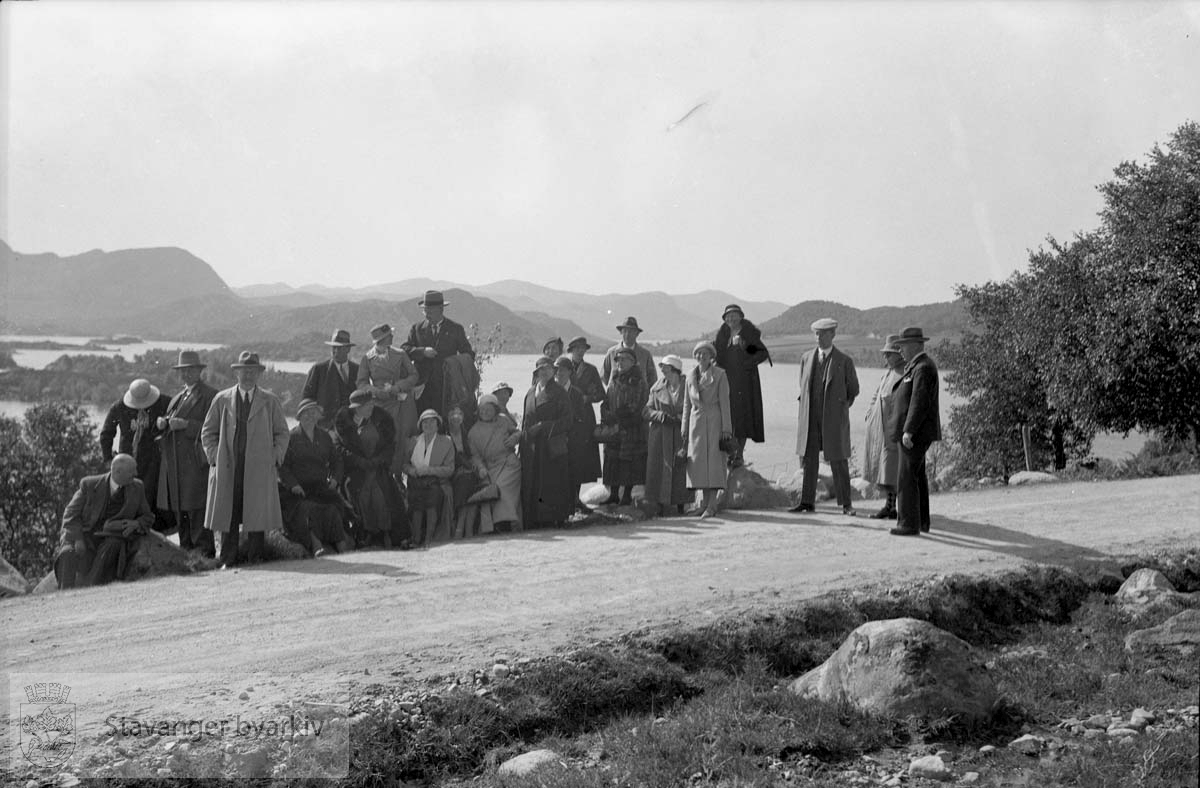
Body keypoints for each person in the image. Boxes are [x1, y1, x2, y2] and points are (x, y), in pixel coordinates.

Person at [201, 352, 290, 567]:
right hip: (229, 467)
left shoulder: (270, 401)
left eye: (253, 371)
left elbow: (282, 433)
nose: (248, 375)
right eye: (244, 371)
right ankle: (228, 559)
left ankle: (255, 558)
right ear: (236, 373)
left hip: (258, 468)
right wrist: (214, 457)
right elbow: (207, 432)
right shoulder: (221, 399)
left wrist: (274, 457)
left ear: (259, 374)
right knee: (228, 514)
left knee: (256, 514)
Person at [53, 453, 155, 589]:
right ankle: (64, 596)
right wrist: (77, 539)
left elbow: (147, 516)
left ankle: (90, 589)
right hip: (85, 536)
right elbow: (70, 514)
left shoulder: (137, 487)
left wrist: (136, 523)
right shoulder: (89, 485)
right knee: (67, 553)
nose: (136, 473)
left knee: (113, 546)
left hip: (112, 538)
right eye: (132, 471)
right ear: (118, 472)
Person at [791, 318, 860, 516]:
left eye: (823, 334)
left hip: (833, 420)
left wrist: (838, 409)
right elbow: (802, 387)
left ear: (833, 335)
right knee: (809, 460)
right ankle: (806, 502)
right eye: (816, 334)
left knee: (839, 460)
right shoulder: (806, 358)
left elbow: (853, 390)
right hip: (810, 419)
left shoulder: (844, 361)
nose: (818, 338)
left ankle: (847, 504)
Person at [156, 351, 218, 557]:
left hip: (195, 465)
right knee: (181, 511)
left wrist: (186, 425)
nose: (186, 374)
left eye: (190, 370)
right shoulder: (177, 398)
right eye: (183, 371)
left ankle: (204, 556)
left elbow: (217, 429)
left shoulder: (210, 396)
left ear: (199, 371)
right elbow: (171, 423)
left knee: (197, 510)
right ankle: (187, 556)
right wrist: (163, 423)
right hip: (177, 467)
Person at [278, 399, 353, 556]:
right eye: (306, 413)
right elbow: (283, 467)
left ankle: (341, 544)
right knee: (307, 510)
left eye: (313, 413)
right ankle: (315, 545)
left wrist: (335, 479)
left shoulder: (324, 437)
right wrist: (293, 485)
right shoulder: (291, 438)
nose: (310, 416)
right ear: (299, 416)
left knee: (332, 509)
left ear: (318, 416)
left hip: (320, 488)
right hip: (298, 491)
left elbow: (337, 460)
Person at [334, 389, 408, 548]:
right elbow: (340, 448)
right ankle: (367, 533)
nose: (370, 408)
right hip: (356, 470)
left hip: (379, 468)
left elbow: (390, 446)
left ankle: (386, 533)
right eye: (365, 406)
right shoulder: (343, 423)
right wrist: (358, 461)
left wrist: (378, 460)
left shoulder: (383, 419)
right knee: (362, 496)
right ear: (355, 408)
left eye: (371, 404)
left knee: (381, 495)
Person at [887, 327, 942, 536]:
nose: (900, 350)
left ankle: (908, 523)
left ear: (915, 345)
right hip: (916, 432)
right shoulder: (917, 366)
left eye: (902, 346)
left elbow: (919, 401)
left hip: (916, 433)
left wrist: (908, 430)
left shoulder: (924, 367)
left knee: (907, 477)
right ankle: (921, 522)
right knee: (917, 476)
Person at [100, 378, 170, 529]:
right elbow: (106, 434)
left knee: (151, 495)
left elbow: (174, 414)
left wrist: (165, 421)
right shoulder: (118, 407)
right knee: (128, 495)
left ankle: (151, 529)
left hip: (154, 460)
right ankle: (128, 528)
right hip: (127, 460)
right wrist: (108, 459)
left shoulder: (164, 402)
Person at [402, 290, 476, 420]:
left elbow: (469, 355)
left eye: (429, 310)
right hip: (422, 389)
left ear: (441, 309)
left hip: (446, 388)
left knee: (445, 422)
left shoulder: (455, 329)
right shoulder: (417, 328)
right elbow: (405, 349)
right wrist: (422, 351)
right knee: (423, 422)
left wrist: (452, 362)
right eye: (424, 310)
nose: (426, 314)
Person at [714, 304, 771, 469]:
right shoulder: (722, 335)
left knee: (742, 419)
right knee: (727, 417)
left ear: (740, 317)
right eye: (728, 316)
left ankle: (738, 455)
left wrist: (744, 346)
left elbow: (762, 353)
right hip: (726, 381)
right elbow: (717, 355)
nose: (730, 318)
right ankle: (730, 454)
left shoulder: (748, 334)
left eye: (734, 315)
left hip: (745, 384)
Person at [357, 323, 420, 474]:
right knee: (383, 438)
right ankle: (385, 474)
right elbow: (361, 382)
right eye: (389, 336)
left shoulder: (400, 354)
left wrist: (397, 387)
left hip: (401, 403)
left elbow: (414, 375)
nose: (392, 336)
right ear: (382, 339)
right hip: (380, 404)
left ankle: (399, 474)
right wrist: (375, 391)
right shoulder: (367, 358)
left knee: (402, 439)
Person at [520, 356, 575, 527]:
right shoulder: (530, 393)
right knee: (533, 480)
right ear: (536, 373)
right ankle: (533, 518)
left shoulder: (560, 392)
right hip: (532, 446)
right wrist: (523, 441)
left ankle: (553, 518)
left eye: (547, 369)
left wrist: (545, 426)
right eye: (540, 370)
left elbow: (568, 421)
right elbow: (525, 421)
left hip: (552, 445)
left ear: (553, 371)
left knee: (552, 481)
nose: (543, 372)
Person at [683, 342, 733, 518]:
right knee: (697, 464)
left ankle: (712, 505)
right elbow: (686, 405)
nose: (701, 356)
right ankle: (702, 504)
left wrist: (727, 428)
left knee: (713, 463)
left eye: (705, 353)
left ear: (711, 356)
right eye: (698, 353)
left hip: (714, 422)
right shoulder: (690, 376)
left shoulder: (720, 375)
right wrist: (684, 429)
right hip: (696, 423)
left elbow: (725, 403)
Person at [862, 335, 905, 520]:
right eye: (885, 354)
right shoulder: (888, 373)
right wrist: (870, 412)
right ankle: (889, 506)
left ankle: (894, 506)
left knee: (892, 469)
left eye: (888, 354)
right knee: (885, 469)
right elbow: (877, 395)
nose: (885, 357)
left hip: (893, 430)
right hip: (881, 430)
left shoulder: (903, 373)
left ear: (897, 354)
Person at [600, 347, 649, 506]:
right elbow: (607, 399)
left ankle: (627, 495)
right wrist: (605, 412)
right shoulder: (614, 378)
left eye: (624, 359)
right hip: (614, 428)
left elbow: (636, 405)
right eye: (618, 359)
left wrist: (619, 418)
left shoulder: (639, 381)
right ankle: (613, 494)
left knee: (629, 461)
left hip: (631, 427)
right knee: (612, 460)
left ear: (633, 362)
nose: (620, 362)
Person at [467, 394, 523, 533]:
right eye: (482, 410)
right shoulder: (473, 432)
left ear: (495, 410)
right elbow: (475, 456)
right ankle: (500, 525)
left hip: (508, 464)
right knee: (491, 489)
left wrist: (515, 438)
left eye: (489, 409)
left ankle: (504, 523)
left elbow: (518, 432)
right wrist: (480, 468)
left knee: (500, 488)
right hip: (490, 468)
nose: (485, 412)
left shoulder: (503, 421)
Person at [643, 354, 690, 516]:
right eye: (662, 367)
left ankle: (681, 506)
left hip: (680, 433)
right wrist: (661, 416)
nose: (662, 370)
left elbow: (696, 408)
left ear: (673, 369)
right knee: (660, 469)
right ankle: (660, 506)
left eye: (665, 367)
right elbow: (646, 411)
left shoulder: (689, 387)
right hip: (661, 435)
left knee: (680, 468)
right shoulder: (657, 388)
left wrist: (682, 418)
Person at [554, 355, 601, 513]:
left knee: (576, 469)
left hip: (574, 437)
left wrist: (576, 435)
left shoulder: (576, 393)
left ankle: (574, 501)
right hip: (555, 437)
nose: (559, 373)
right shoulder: (549, 391)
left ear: (569, 372)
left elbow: (582, 416)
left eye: (563, 370)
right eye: (557, 370)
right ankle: (561, 503)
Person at [404, 409, 455, 546]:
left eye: (432, 422)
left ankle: (429, 539)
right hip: (416, 480)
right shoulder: (413, 441)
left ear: (438, 425)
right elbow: (405, 464)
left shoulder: (446, 442)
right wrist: (412, 471)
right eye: (425, 422)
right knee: (416, 504)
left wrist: (430, 470)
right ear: (420, 425)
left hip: (436, 481)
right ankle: (416, 539)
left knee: (431, 500)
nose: (428, 425)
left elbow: (450, 469)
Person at [302, 329, 360, 431]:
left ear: (348, 349)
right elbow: (307, 398)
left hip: (351, 428)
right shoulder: (318, 370)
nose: (335, 351)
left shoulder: (357, 370)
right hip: (324, 428)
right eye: (333, 347)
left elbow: (362, 398)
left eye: (339, 347)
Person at [601, 317, 657, 388]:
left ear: (637, 334)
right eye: (625, 331)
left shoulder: (645, 355)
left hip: (639, 397)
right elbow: (604, 376)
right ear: (621, 332)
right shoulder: (611, 353)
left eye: (631, 331)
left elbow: (653, 379)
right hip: (615, 397)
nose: (627, 334)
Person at [567, 336, 605, 406]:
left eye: (583, 348)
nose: (580, 351)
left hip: (586, 412)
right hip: (567, 410)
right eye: (577, 348)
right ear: (572, 350)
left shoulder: (591, 370)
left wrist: (588, 398)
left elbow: (601, 394)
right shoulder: (564, 368)